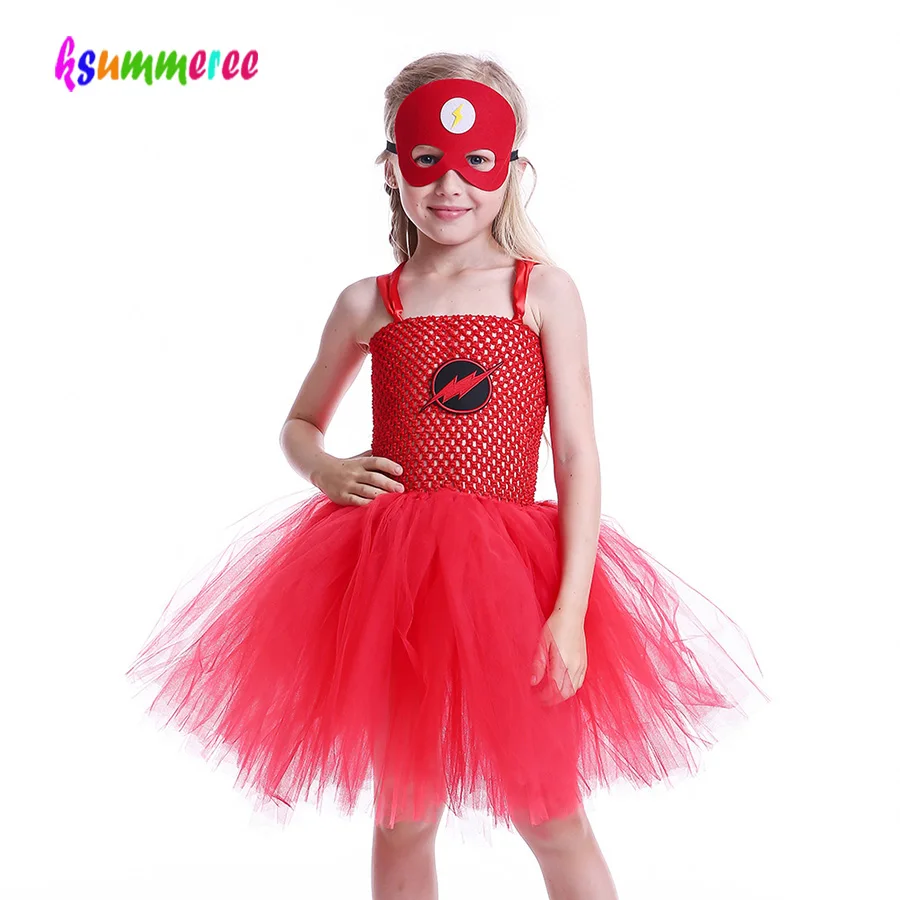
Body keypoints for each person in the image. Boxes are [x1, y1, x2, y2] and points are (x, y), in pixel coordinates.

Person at [126, 53, 770, 899]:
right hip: (391, 584)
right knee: (404, 813)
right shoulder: (370, 301)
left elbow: (577, 455)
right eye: (426, 161)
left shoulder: (541, 292)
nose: (450, 185)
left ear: (513, 171)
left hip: (514, 581)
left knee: (549, 811)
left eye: (477, 163)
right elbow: (299, 423)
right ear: (392, 169)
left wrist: (570, 608)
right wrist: (327, 469)